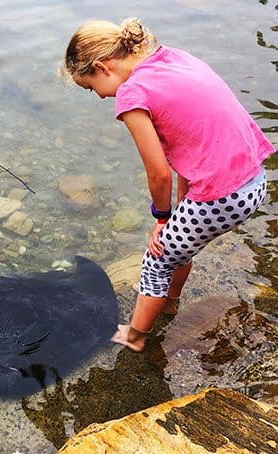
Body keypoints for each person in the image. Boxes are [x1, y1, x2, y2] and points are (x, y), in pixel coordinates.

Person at [63, 18, 275, 351]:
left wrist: (162, 219)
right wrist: (177, 213)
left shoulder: (131, 93)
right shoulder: (171, 58)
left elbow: (158, 171)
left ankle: (134, 337)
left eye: (91, 88)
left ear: (103, 67)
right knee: (179, 240)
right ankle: (171, 301)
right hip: (253, 179)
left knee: (157, 258)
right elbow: (189, 145)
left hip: (223, 195)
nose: (99, 97)